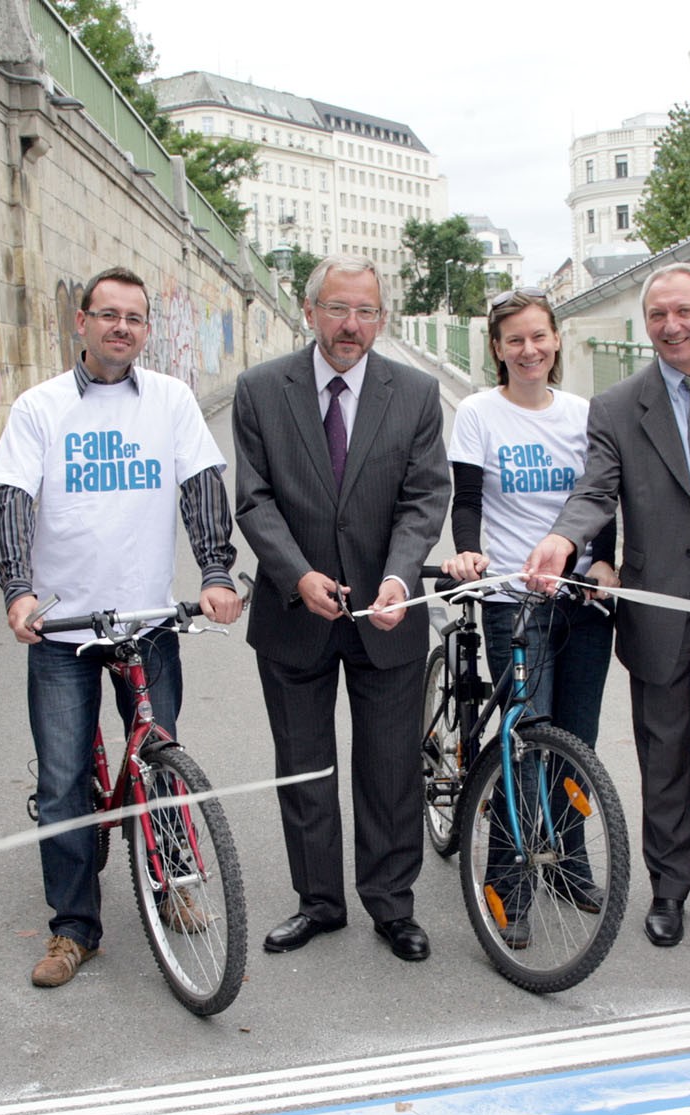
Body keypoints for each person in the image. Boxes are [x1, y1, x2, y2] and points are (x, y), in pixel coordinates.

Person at [524, 262, 690, 950]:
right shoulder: (618, 406)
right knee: (663, 754)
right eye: (657, 316)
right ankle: (670, 888)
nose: (671, 326)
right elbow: (596, 489)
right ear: (645, 325)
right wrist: (564, 538)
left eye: (683, 312)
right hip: (657, 609)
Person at [0, 266, 242, 988]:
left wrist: (216, 572)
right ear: (82, 321)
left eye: (134, 316)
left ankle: (174, 881)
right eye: (108, 314)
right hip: (62, 627)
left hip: (147, 620)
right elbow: (6, 499)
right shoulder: (41, 408)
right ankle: (74, 928)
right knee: (66, 779)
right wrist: (18, 591)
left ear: (144, 327)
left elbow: (201, 490)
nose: (121, 327)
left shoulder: (170, 401)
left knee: (160, 757)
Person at [232, 255, 450, 962]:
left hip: (388, 613)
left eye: (364, 311)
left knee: (390, 769)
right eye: (337, 309)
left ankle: (391, 905)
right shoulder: (260, 389)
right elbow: (254, 499)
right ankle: (319, 901)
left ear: (381, 318)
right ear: (309, 309)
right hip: (295, 613)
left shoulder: (416, 393)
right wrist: (296, 576)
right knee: (305, 765)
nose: (350, 325)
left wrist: (398, 576)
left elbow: (424, 498)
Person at [440, 288, 616, 934]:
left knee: (576, 741)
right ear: (496, 348)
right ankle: (506, 889)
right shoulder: (479, 413)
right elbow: (467, 500)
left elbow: (601, 499)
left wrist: (602, 561)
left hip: (582, 602)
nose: (529, 349)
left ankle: (569, 862)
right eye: (514, 339)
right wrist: (467, 553)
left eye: (539, 336)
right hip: (513, 601)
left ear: (557, 339)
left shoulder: (583, 413)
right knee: (525, 740)